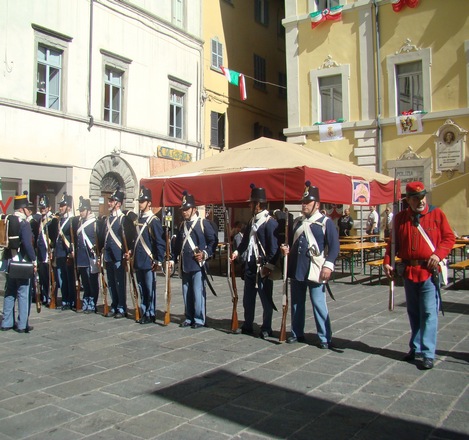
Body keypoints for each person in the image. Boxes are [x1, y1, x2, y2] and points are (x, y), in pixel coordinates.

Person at [383, 182, 455, 370]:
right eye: (416, 198)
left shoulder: (436, 214)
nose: (421, 201)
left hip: (428, 272)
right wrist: (387, 262)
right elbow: (393, 244)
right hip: (409, 272)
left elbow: (449, 238)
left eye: (423, 197)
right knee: (414, 313)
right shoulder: (400, 218)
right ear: (408, 200)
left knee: (429, 313)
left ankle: (428, 353)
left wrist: (437, 255)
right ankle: (415, 348)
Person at [280, 181, 340, 348]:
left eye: (307, 202)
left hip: (315, 268)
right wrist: (286, 249)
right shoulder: (298, 222)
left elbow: (334, 247)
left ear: (317, 204)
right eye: (303, 202)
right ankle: (297, 332)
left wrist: (328, 266)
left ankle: (324, 337)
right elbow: (292, 243)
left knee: (318, 304)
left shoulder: (325, 222)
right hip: (298, 268)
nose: (304, 205)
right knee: (296, 303)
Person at [230, 184, 279, 339]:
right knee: (248, 299)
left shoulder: (269, 222)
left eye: (251, 203)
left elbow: (274, 248)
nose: (249, 205)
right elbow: (245, 242)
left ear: (258, 204)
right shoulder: (252, 221)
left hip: (263, 267)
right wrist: (237, 252)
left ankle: (266, 327)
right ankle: (248, 324)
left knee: (266, 300)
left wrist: (269, 266)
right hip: (250, 266)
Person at [173, 190, 218, 328]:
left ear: (193, 209)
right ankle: (189, 317)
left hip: (198, 265)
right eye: (183, 209)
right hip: (186, 264)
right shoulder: (182, 225)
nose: (184, 212)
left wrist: (205, 253)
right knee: (186, 292)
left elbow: (213, 241)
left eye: (186, 209)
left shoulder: (203, 223)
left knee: (198, 293)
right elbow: (178, 245)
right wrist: (172, 259)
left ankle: (199, 319)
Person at [1, 192, 37, 333]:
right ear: (22, 209)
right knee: (23, 293)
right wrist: (34, 260)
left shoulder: (7, 220)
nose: (29, 211)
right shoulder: (24, 224)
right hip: (21, 263)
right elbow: (27, 245)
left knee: (9, 292)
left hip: (9, 261)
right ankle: (22, 324)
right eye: (27, 208)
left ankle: (7, 322)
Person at [131, 186, 165, 324]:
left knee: (149, 288)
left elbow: (160, 242)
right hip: (139, 260)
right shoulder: (138, 220)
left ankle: (150, 313)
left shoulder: (154, 221)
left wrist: (158, 260)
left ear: (149, 203)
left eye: (143, 201)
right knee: (141, 288)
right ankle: (144, 310)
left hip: (148, 260)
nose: (140, 203)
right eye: (140, 201)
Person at [103, 186, 131, 319]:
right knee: (111, 282)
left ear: (118, 203)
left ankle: (121, 307)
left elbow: (129, 237)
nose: (109, 203)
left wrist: (128, 252)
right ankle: (114, 305)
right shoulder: (107, 219)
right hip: (109, 256)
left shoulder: (123, 219)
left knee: (120, 283)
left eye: (112, 201)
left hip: (119, 255)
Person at [75, 197, 100, 313]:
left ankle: (92, 302)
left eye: (83, 210)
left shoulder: (95, 223)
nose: (81, 212)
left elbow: (98, 240)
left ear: (88, 210)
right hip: (81, 258)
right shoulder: (80, 223)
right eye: (80, 210)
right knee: (85, 282)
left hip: (90, 257)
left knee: (92, 282)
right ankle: (85, 300)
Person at [54, 192, 76, 310]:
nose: (60, 208)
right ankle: (65, 299)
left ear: (68, 207)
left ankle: (71, 300)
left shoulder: (72, 220)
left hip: (67, 254)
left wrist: (71, 252)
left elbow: (73, 238)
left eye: (63, 205)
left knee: (69, 279)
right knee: (61, 279)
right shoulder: (60, 220)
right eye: (60, 205)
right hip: (60, 253)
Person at [33, 194, 54, 306]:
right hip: (41, 253)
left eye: (44, 208)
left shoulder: (52, 220)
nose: (42, 210)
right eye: (41, 208)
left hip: (48, 253)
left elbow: (55, 237)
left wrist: (52, 250)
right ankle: (44, 296)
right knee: (42, 277)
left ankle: (50, 297)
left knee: (49, 278)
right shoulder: (40, 220)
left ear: (49, 208)